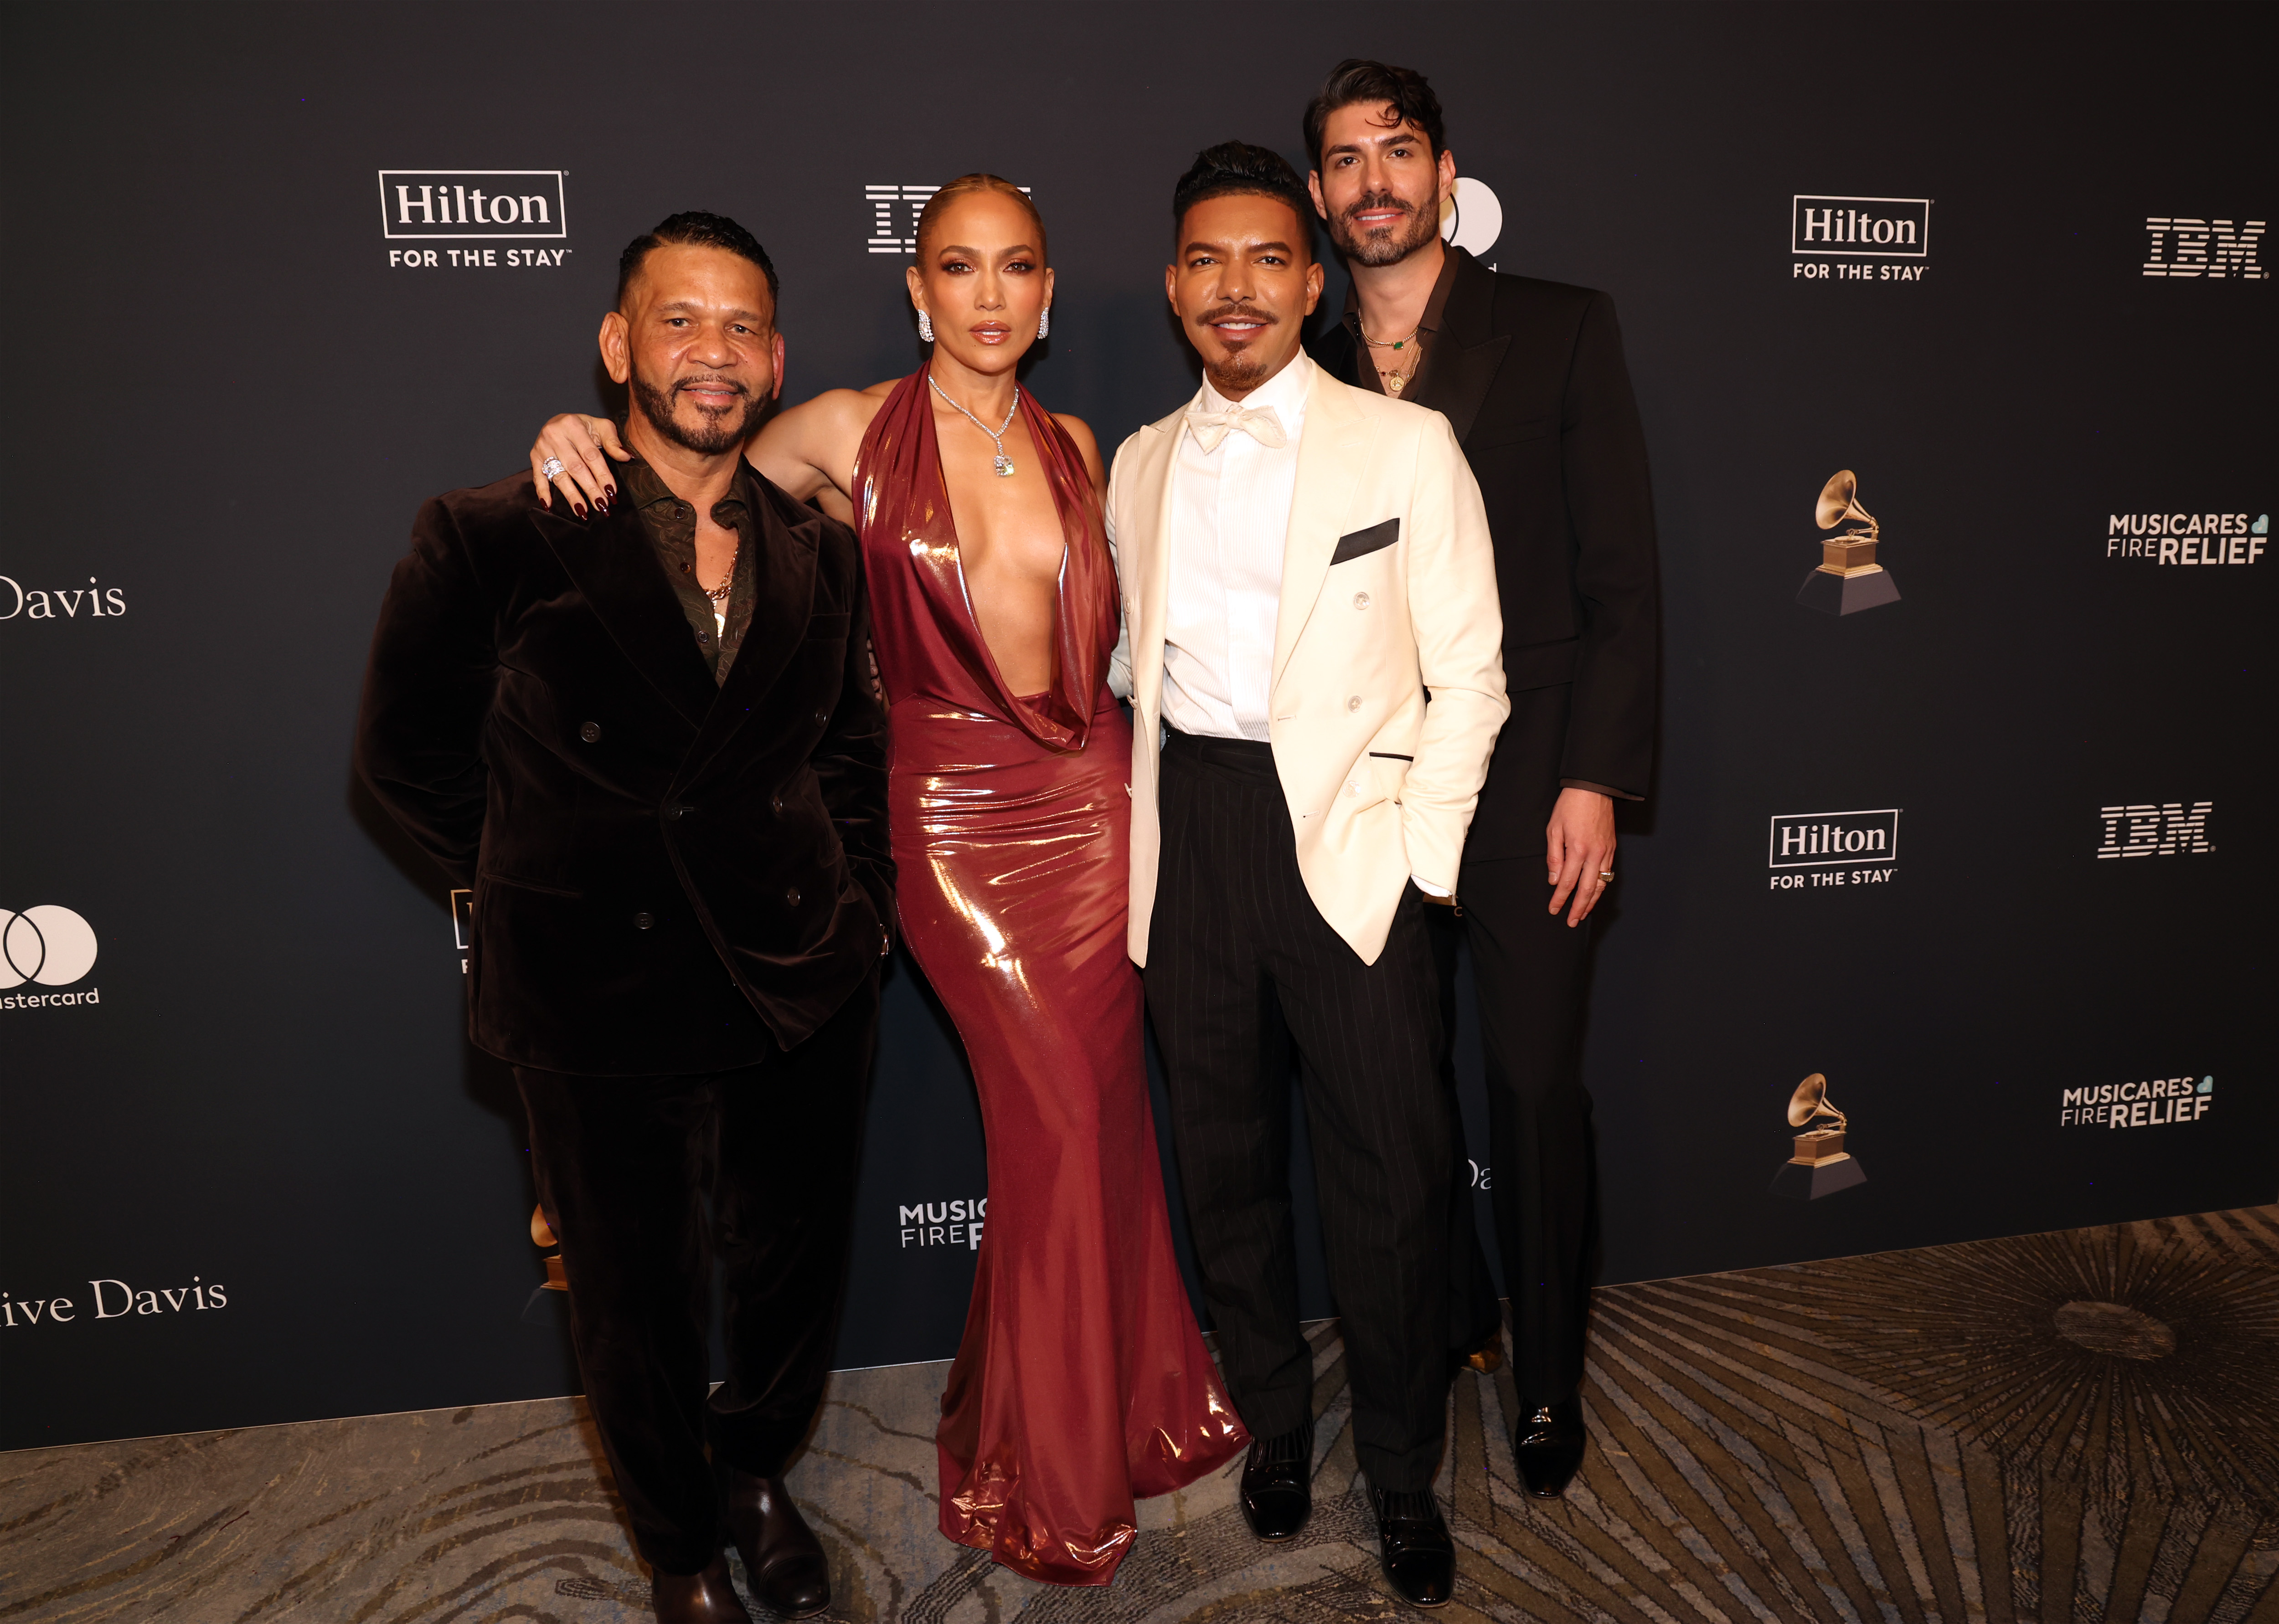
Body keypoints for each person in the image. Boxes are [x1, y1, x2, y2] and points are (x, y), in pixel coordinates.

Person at [528, 176, 1248, 1588]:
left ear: (1047, 298)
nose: (989, 295)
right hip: (949, 822)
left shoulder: (1085, 442)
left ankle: (1119, 1405)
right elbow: (686, 462)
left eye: (1017, 268)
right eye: (959, 268)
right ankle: (1044, 1465)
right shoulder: (848, 427)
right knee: (1048, 1111)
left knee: (1097, 1121)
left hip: (1096, 803)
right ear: (918, 290)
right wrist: (574, 436)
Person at [358, 212, 889, 1624]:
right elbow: (404, 755)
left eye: (740, 328)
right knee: (633, 1298)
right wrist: (553, 874)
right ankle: (680, 1543)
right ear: (617, 345)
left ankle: (759, 1471)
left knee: (790, 1271)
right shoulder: (493, 532)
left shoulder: (821, 552)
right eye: (678, 320)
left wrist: (856, 911)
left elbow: (848, 753)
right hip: (595, 991)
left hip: (798, 975)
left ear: (775, 362)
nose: (710, 353)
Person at [1104, 141, 1507, 1610]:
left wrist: (1420, 862)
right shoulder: (1136, 465)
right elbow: (1119, 668)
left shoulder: (1407, 448)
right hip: (1194, 835)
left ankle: (1402, 1470)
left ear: (1312, 276)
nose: (1237, 288)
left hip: (1351, 842)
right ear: (1171, 285)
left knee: (1393, 1180)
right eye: (1208, 259)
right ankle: (1274, 1422)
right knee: (1223, 1170)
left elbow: (1473, 677)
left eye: (1270, 258)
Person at [1302, 60, 1662, 1500]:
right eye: (1344, 160)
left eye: (1398, 152)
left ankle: (1550, 1374)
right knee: (1392, 1087)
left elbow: (1623, 577)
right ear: (1320, 195)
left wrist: (1597, 780)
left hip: (1530, 777)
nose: (1373, 181)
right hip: (1368, 778)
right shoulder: (1304, 368)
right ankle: (1447, 1317)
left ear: (1448, 173)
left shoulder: (1562, 329)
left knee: (1529, 1084)